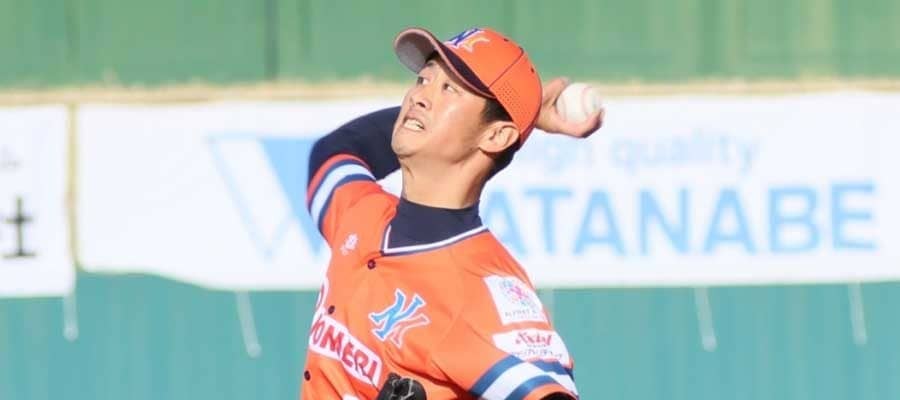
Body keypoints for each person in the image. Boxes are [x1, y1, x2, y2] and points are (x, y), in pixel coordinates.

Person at [301, 26, 603, 400]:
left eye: (449, 89)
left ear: (496, 137)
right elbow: (333, 154)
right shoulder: (360, 215)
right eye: (423, 80)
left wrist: (510, 119)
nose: (419, 97)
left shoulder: (480, 290)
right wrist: (515, 119)